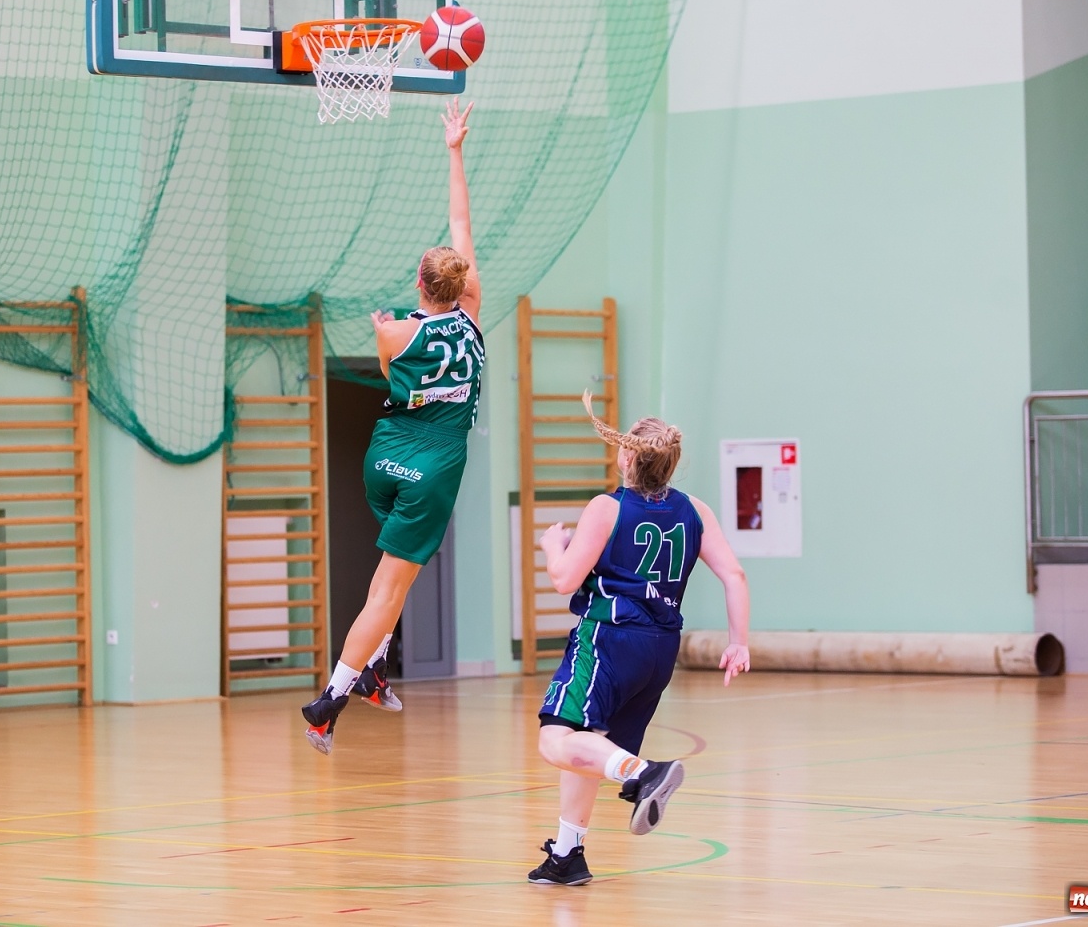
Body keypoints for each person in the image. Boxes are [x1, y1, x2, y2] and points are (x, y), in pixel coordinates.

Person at [301, 99, 482, 754]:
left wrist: (393, 320)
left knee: (395, 581)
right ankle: (331, 699)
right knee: (388, 589)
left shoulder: (390, 334)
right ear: (462, 288)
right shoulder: (473, 314)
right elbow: (461, 221)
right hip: (432, 469)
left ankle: (373, 669)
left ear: (418, 282)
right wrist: (454, 149)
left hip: (384, 459)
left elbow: (398, 330)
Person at [527, 392, 751, 885]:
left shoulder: (609, 507)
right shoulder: (695, 510)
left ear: (626, 455)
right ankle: (568, 854)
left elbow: (565, 579)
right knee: (592, 742)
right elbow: (734, 574)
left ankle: (643, 774)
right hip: (659, 649)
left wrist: (552, 547)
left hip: (610, 636)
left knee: (554, 741)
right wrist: (739, 642)